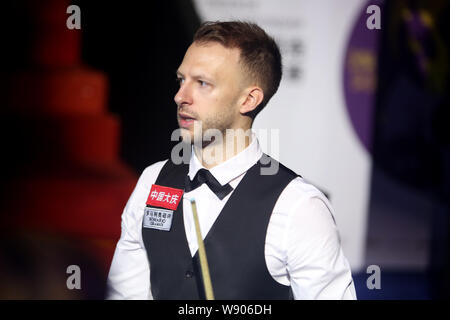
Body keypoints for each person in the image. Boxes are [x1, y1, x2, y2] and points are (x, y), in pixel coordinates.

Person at [106, 21, 356, 300]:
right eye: (181, 80)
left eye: (202, 83)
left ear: (249, 99)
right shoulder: (152, 181)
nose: (180, 96)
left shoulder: (299, 208)